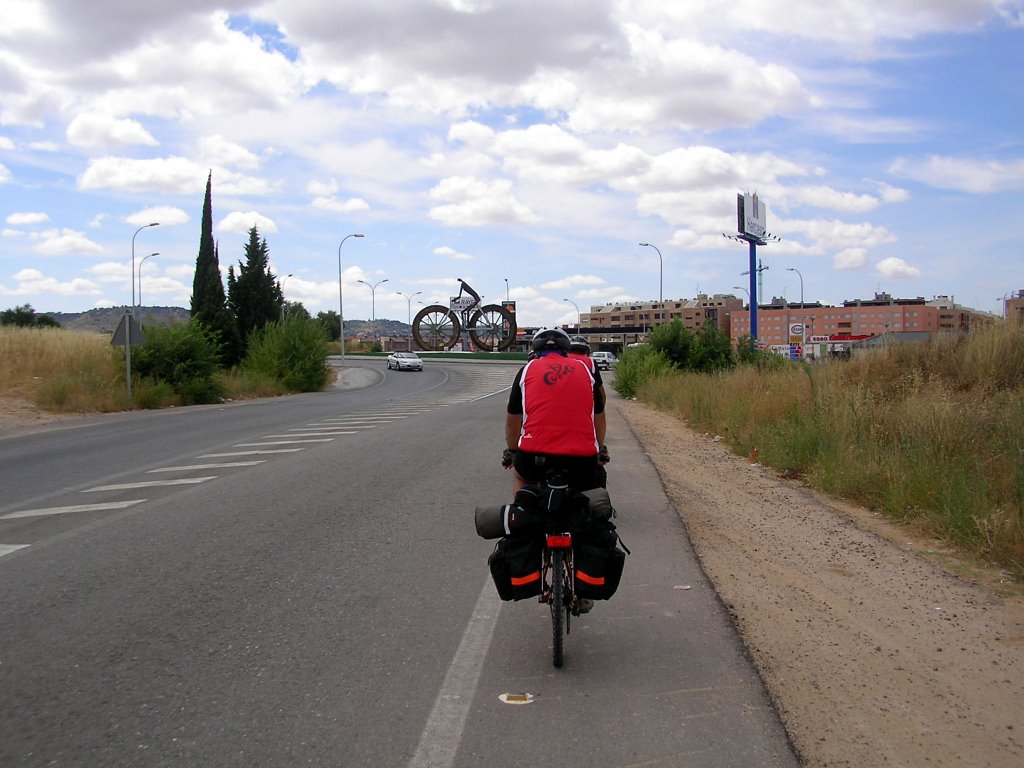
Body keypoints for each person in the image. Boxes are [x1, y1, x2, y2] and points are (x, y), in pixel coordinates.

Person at [504, 328, 608, 494]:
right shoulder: (584, 369)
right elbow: (599, 416)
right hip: (582, 459)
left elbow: (512, 422)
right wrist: (600, 448)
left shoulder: (527, 370)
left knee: (521, 477)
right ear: (566, 350)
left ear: (536, 351)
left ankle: (520, 511)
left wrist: (513, 451)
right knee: (588, 487)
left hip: (534, 457)